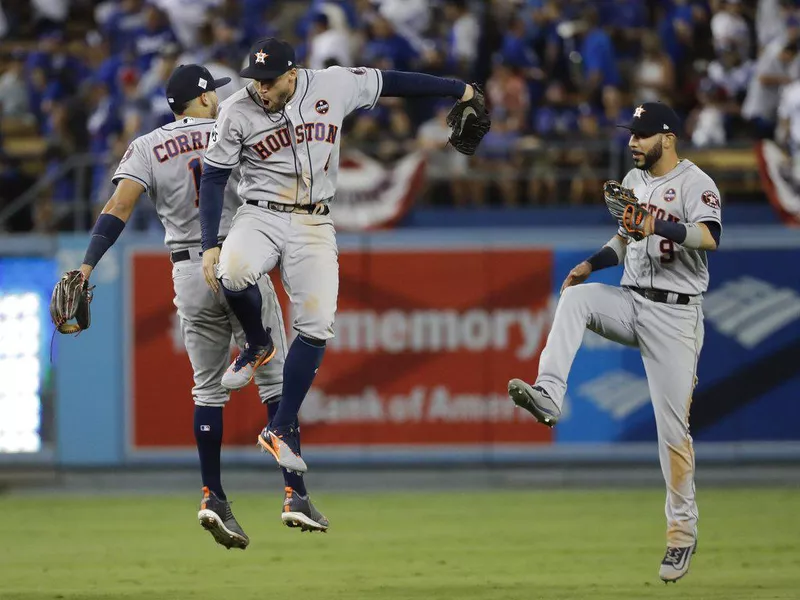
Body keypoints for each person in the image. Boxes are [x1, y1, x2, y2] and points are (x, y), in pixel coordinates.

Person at [197, 38, 488, 481]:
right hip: (259, 213)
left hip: (314, 220)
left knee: (316, 323)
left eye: (269, 80)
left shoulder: (333, 85)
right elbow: (215, 178)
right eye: (255, 80)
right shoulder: (237, 109)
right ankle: (257, 342)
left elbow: (394, 83)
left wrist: (458, 89)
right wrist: (208, 243)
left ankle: (281, 427)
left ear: (292, 73)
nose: (261, 88)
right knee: (232, 270)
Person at [64, 63, 326, 545]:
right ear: (203, 99)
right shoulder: (237, 129)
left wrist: (85, 267)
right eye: (214, 94)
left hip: (187, 269)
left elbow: (117, 208)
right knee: (274, 379)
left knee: (207, 390)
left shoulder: (146, 145)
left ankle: (213, 496)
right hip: (237, 259)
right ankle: (294, 494)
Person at [508, 102, 722, 583]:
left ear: (667, 138)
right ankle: (549, 394)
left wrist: (657, 225)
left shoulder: (696, 183)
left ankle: (681, 534)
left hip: (676, 315)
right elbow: (625, 239)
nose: (632, 141)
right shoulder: (633, 179)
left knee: (673, 434)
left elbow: (709, 237)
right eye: (631, 133)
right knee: (577, 298)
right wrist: (591, 262)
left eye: (642, 135)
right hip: (632, 300)